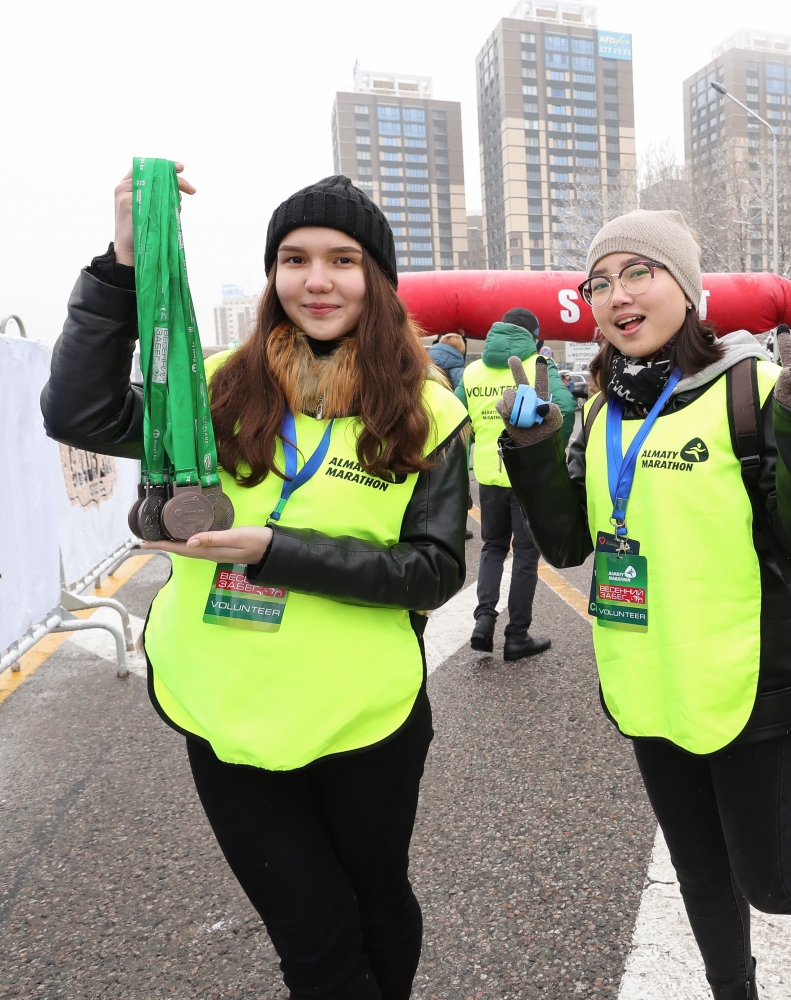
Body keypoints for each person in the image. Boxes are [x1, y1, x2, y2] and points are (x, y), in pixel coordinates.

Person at [41, 170, 470, 1000]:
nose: (317, 280)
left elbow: (434, 571)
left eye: (343, 260)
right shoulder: (213, 388)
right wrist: (124, 265)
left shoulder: (428, 410)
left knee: (378, 906)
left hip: (366, 716)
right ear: (273, 276)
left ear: (378, 280)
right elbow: (79, 414)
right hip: (224, 709)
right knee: (316, 937)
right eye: (294, 259)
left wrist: (277, 551)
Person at [498, 209, 791, 1000]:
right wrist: (532, 449)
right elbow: (566, 546)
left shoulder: (756, 389)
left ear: (686, 288)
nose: (618, 294)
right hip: (648, 677)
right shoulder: (600, 411)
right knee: (700, 869)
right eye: (600, 282)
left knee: (773, 878)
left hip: (754, 678)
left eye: (640, 272)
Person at [455, 308, 573, 659]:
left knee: (493, 547)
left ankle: (484, 619)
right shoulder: (538, 364)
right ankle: (517, 636)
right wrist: (549, 451)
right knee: (525, 554)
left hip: (488, 474)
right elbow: (566, 406)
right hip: (527, 475)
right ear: (533, 337)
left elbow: (456, 421)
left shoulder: (473, 371)